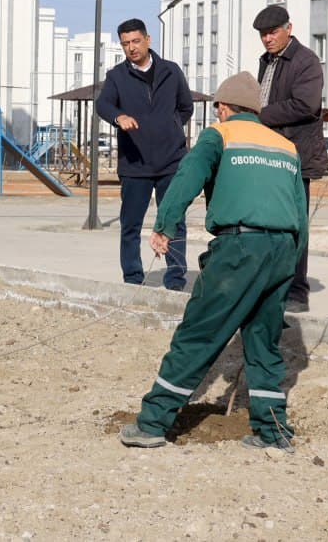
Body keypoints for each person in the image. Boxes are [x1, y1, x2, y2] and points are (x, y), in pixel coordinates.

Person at [118, 72, 306, 453]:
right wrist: (291, 267)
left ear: (223, 107)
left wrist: (164, 226)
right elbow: (300, 213)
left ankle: (153, 423)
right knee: (263, 340)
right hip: (284, 250)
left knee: (198, 334)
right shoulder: (286, 146)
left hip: (239, 248)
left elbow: (186, 179)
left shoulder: (219, 136)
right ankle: (273, 432)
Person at [95, 18, 194, 289]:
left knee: (174, 222)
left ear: (148, 40)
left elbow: (186, 107)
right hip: (134, 164)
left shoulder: (172, 72)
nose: (131, 48)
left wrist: (169, 128)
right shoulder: (117, 76)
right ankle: (133, 278)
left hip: (171, 162)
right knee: (130, 225)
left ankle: (175, 278)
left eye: (136, 41)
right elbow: (102, 104)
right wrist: (118, 117)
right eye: (125, 43)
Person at [252, 4, 328, 313]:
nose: (267, 39)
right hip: (269, 153)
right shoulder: (267, 62)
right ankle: (272, 286)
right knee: (268, 223)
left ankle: (298, 290)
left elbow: (305, 105)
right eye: (262, 35)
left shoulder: (305, 61)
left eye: (272, 33)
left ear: (289, 28)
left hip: (296, 154)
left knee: (295, 225)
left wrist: (260, 116)